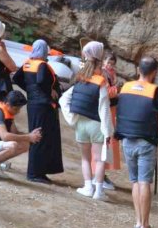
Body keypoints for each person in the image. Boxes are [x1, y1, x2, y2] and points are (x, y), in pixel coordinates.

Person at [115, 56, 158, 228]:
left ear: (138, 71)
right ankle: (145, 225)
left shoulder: (125, 87)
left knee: (135, 181)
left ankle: (137, 222)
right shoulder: (155, 92)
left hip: (126, 140)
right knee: (144, 182)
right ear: (155, 72)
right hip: (146, 142)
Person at [62, 41, 112, 200]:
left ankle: (87, 187)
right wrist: (108, 130)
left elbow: (64, 99)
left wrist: (71, 118)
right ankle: (98, 191)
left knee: (85, 158)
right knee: (99, 160)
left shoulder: (79, 78)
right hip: (97, 125)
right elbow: (104, 107)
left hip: (81, 124)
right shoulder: (101, 81)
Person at [13, 39, 63, 184]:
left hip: (33, 104)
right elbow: (41, 81)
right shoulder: (41, 65)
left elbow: (17, 78)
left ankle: (38, 171)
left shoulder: (28, 63)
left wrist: (30, 89)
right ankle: (34, 173)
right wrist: (50, 91)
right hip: (43, 106)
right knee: (40, 137)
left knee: (37, 135)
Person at [91, 51, 122, 190]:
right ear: (103, 62)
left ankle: (102, 174)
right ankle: (98, 176)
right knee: (103, 142)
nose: (110, 65)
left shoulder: (111, 73)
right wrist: (117, 89)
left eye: (112, 63)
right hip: (105, 111)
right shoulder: (103, 74)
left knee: (108, 142)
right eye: (108, 62)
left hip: (111, 111)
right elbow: (106, 92)